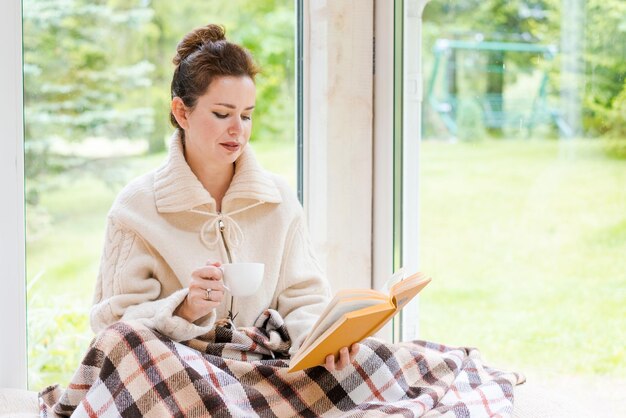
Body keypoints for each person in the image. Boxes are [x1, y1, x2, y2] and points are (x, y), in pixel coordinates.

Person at [89, 23, 358, 372]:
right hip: (181, 373)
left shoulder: (279, 200)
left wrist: (319, 341)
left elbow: (305, 297)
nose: (238, 129)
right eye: (222, 114)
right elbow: (111, 326)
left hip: (268, 365)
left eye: (246, 115)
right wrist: (183, 308)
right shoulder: (137, 208)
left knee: (385, 359)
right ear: (181, 112)